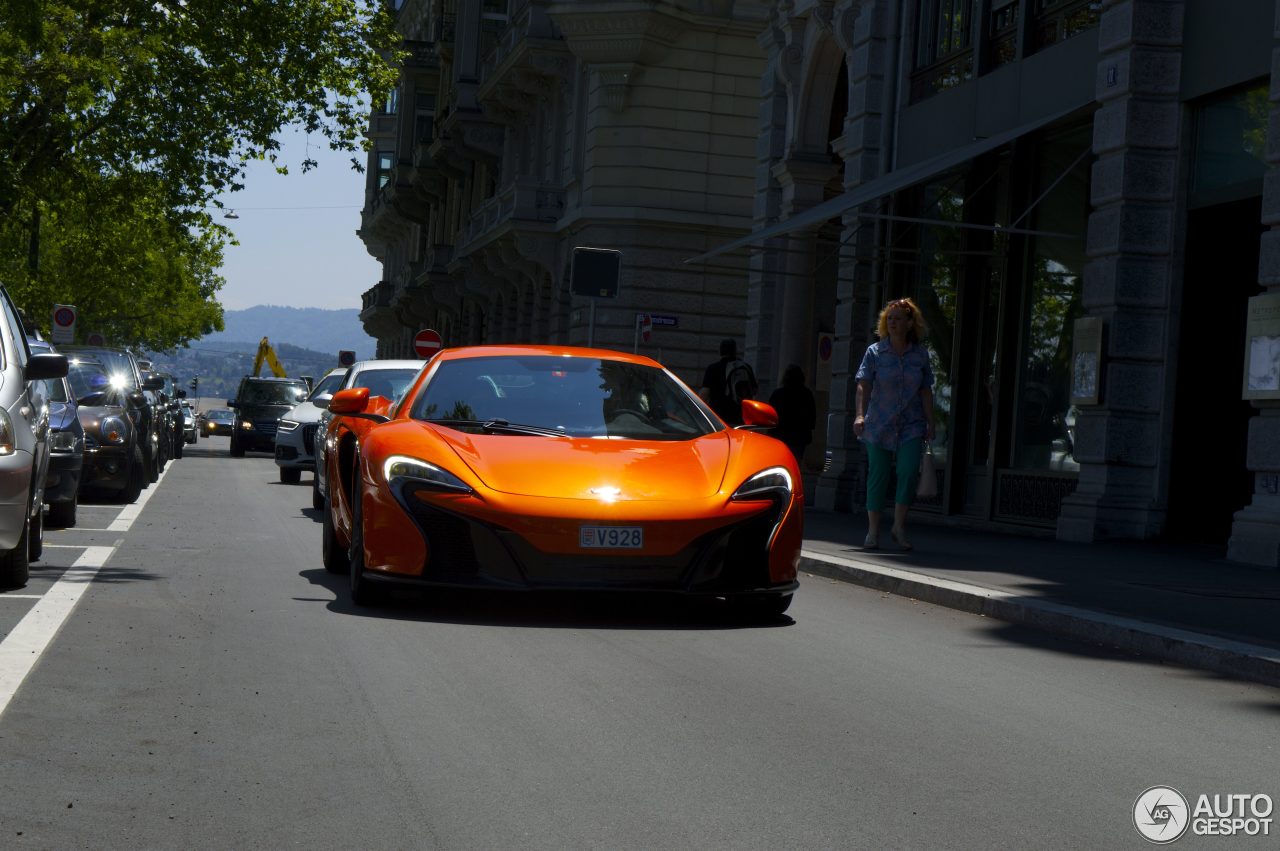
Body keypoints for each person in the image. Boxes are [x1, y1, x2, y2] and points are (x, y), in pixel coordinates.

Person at [853, 297, 935, 551]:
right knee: (878, 476)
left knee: (908, 472)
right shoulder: (875, 352)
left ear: (910, 323)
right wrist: (859, 414)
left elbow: (925, 391)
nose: (893, 322)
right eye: (890, 318)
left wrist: (930, 421)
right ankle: (873, 531)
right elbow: (863, 384)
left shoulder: (920, 355)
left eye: (898, 318)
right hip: (879, 424)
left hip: (911, 424)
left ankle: (899, 526)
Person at [699, 338, 757, 425]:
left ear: (720, 351)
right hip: (740, 416)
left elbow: (704, 394)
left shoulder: (713, 368)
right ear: (735, 351)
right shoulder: (746, 367)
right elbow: (754, 391)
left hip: (719, 417)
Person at [768, 363, 817, 465]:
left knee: (781, 461)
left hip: (781, 435)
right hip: (799, 436)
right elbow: (812, 416)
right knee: (796, 461)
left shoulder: (778, 394)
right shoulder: (806, 394)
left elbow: (770, 415)